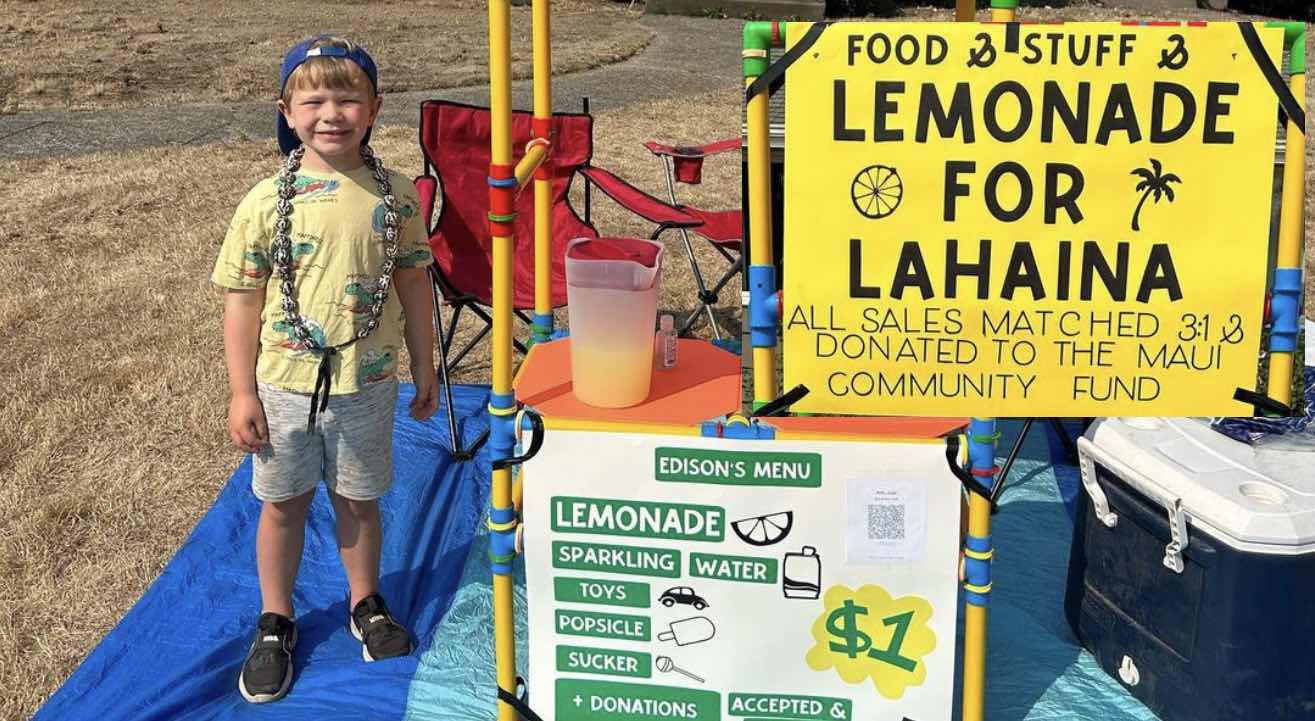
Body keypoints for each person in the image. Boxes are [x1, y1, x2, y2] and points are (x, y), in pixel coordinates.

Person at [210, 35, 438, 704]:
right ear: (285, 109)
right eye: (313, 99)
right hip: (284, 384)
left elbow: (415, 283)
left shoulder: (395, 196)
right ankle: (276, 619)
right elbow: (242, 299)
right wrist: (240, 389)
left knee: (359, 499)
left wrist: (426, 363)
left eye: (347, 98)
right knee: (283, 503)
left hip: (366, 383)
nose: (330, 112)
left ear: (374, 109)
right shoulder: (263, 200)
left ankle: (366, 601)